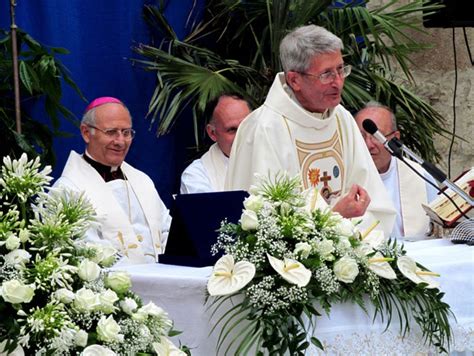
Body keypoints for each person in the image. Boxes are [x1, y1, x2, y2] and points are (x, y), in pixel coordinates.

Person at [225, 25, 396, 235]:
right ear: (294, 79)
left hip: (350, 254)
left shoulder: (342, 118)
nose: (338, 82)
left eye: (341, 70)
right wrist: (334, 216)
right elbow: (264, 221)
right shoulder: (264, 128)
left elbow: (371, 199)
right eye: (326, 74)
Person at [54, 97, 171, 265]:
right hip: (115, 286)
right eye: (111, 132)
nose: (120, 141)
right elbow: (87, 251)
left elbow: (168, 231)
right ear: (86, 133)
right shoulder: (69, 190)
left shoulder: (142, 181)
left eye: (126, 132)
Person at [354, 101, 438, 239]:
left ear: (395, 139)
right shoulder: (345, 176)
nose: (368, 145)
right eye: (361, 136)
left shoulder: (419, 175)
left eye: (376, 136)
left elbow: (439, 225)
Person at [180, 93, 251, 193]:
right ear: (212, 133)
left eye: (246, 126)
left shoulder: (271, 158)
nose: (242, 136)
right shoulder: (196, 176)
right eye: (232, 130)